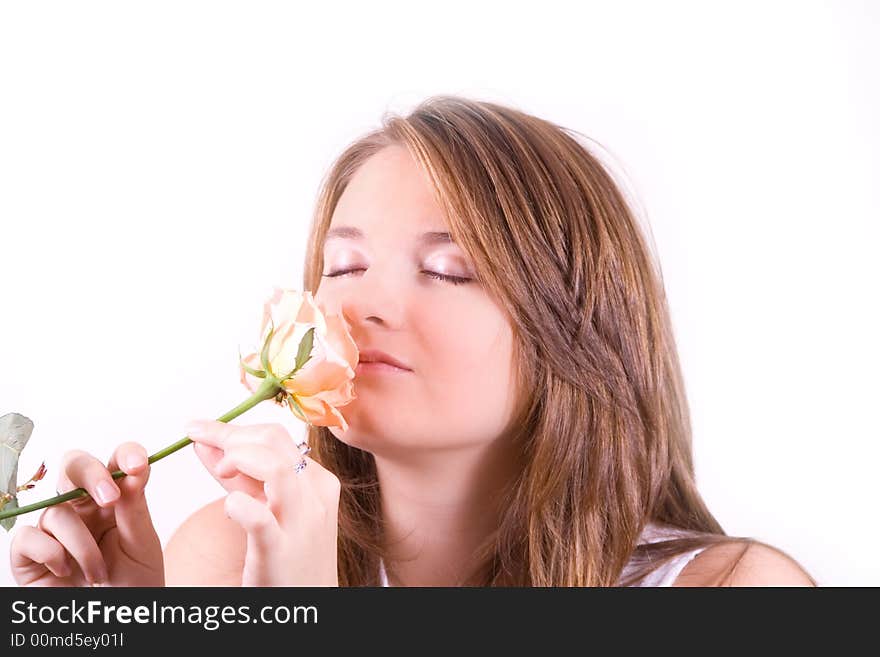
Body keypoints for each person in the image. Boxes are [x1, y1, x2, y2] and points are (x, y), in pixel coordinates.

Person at [9, 95, 817, 587]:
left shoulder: (734, 591)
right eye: (344, 263)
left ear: (584, 332)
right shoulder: (223, 553)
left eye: (449, 269)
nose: (363, 305)